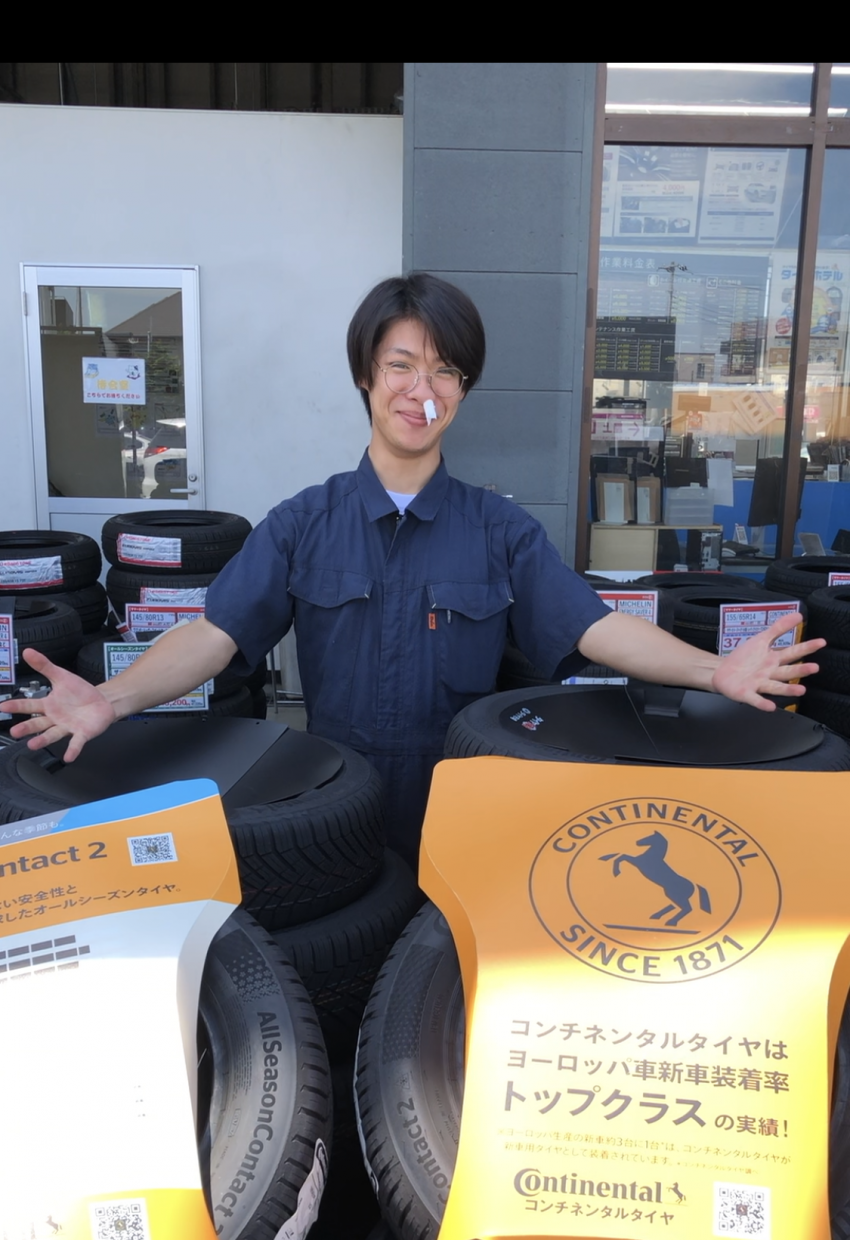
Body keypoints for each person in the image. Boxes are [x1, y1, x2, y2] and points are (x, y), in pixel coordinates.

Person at [0, 274, 825, 866]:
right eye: (401, 365)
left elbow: (595, 628)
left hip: (464, 816)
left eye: (444, 370)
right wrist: (112, 697)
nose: (420, 389)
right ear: (366, 375)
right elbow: (215, 635)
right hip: (333, 808)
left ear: (462, 390)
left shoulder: (500, 531)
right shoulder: (304, 523)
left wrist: (714, 670)